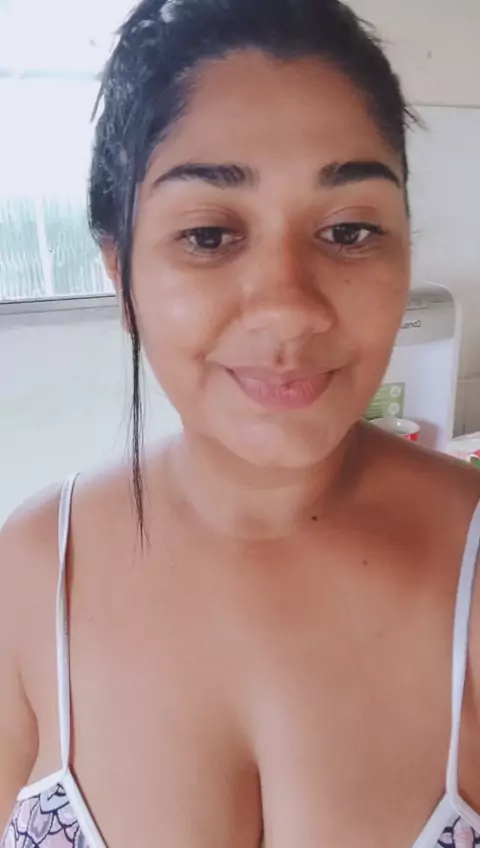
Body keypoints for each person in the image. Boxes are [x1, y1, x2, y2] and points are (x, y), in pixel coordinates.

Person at [1, 0, 480, 846]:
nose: (290, 308)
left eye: (349, 229)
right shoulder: (33, 572)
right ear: (121, 274)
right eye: (210, 235)